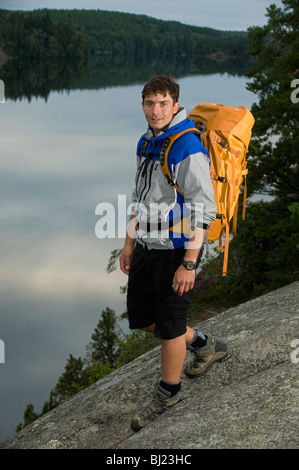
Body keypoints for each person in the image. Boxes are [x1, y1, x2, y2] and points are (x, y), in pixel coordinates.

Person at [119, 74, 232, 432]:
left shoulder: (186, 146)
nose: (156, 110)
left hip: (177, 250)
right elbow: (141, 196)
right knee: (142, 318)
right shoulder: (148, 142)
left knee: (169, 327)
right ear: (142, 105)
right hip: (148, 245)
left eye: (163, 103)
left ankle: (168, 393)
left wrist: (189, 263)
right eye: (150, 103)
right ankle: (204, 343)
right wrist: (129, 241)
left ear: (176, 104)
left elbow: (204, 209)